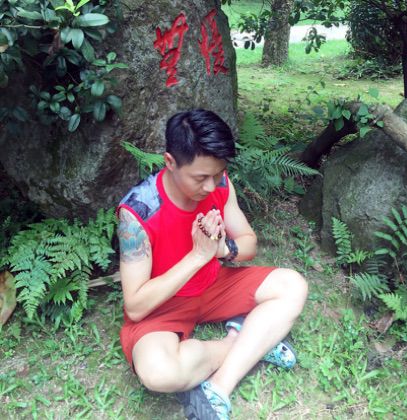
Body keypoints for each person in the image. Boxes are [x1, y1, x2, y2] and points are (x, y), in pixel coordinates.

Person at [117, 109, 308, 420]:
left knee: (292, 286)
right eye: (200, 178)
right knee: (159, 373)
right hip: (163, 306)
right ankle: (247, 340)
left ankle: (219, 387)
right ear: (170, 162)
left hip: (212, 286)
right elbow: (136, 306)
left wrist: (222, 249)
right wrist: (197, 256)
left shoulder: (220, 184)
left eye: (217, 174)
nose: (210, 186)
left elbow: (248, 242)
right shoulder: (139, 212)